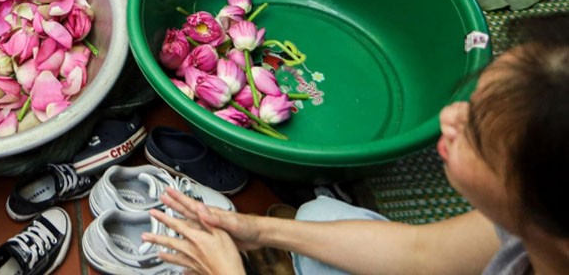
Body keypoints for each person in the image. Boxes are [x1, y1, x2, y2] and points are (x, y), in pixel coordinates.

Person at [143, 15, 569, 275]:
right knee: (317, 214)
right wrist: (260, 231)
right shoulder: (529, 227)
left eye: (474, 132)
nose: (447, 117)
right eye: (470, 102)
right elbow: (420, 255)